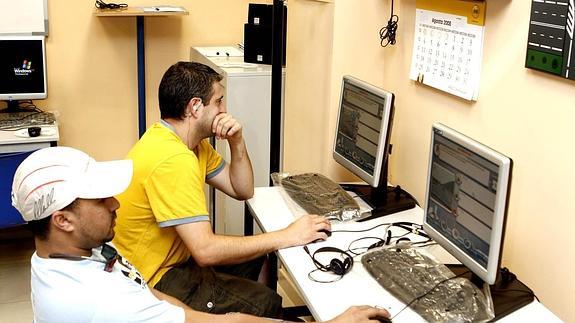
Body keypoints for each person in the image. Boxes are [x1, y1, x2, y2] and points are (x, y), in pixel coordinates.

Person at [11, 146, 391, 323]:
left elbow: (144, 287)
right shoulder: (98, 301)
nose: (116, 204)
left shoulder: (69, 252)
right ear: (62, 219)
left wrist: (188, 314)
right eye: (101, 199)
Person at [112, 61, 333, 317]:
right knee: (267, 301)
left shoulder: (188, 143)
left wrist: (237, 142)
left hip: (177, 260)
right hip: (156, 278)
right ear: (195, 107)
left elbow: (242, 189)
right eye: (218, 101)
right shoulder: (173, 159)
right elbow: (206, 251)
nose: (224, 110)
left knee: (256, 257)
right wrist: (287, 235)